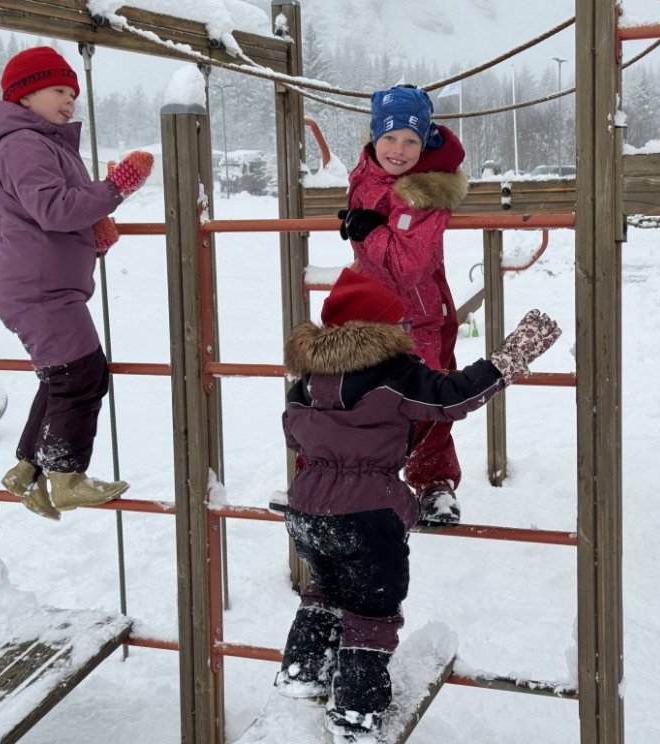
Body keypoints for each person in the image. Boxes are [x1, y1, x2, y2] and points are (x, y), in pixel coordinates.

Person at [274, 268, 560, 741]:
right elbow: (453, 397)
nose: (406, 329)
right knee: (371, 609)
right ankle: (356, 713)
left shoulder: (306, 379)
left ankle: (304, 670)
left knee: (326, 588)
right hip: (367, 515)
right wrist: (511, 357)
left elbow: (292, 433)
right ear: (379, 330)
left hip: (306, 512)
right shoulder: (394, 375)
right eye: (399, 323)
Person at [0, 46, 154, 521]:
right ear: (24, 95)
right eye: (58, 90)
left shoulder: (44, 144)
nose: (70, 100)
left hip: (44, 282)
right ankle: (67, 476)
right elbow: (53, 209)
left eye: (73, 93)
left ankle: (28, 470)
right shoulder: (24, 143)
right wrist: (115, 188)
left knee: (64, 375)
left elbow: (54, 212)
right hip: (39, 288)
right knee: (82, 375)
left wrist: (93, 234)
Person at [338, 84, 469, 525]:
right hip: (370, 305)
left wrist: (368, 230)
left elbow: (408, 265)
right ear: (374, 136)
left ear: (424, 142)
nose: (398, 150)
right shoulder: (367, 171)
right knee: (354, 396)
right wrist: (361, 227)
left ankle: (433, 484)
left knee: (427, 400)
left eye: (411, 140)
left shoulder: (425, 189)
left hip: (420, 312)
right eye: (390, 137)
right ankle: (346, 480)